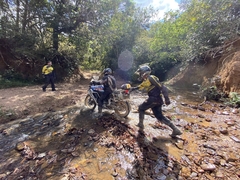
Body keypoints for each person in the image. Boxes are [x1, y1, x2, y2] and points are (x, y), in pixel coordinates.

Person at [130, 65, 182, 137]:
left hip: (153, 99)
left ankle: (140, 124)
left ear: (145, 73)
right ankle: (175, 129)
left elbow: (162, 87)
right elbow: (139, 87)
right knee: (159, 116)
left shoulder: (151, 78)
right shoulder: (147, 80)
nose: (140, 75)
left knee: (141, 108)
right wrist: (131, 89)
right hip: (158, 100)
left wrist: (167, 98)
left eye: (141, 73)